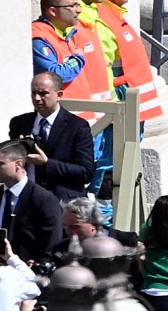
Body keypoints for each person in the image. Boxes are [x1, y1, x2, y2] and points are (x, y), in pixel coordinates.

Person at [12, 72, 96, 200]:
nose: (37, 98)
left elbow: (86, 172)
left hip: (63, 203)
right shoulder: (19, 123)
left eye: (43, 93)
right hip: (26, 200)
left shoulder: (77, 126)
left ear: (59, 95)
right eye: (33, 93)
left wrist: (46, 163)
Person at [0, 140, 63, 260]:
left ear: (18, 164)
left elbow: (51, 246)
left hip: (26, 274)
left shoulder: (44, 200)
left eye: (0, 164)